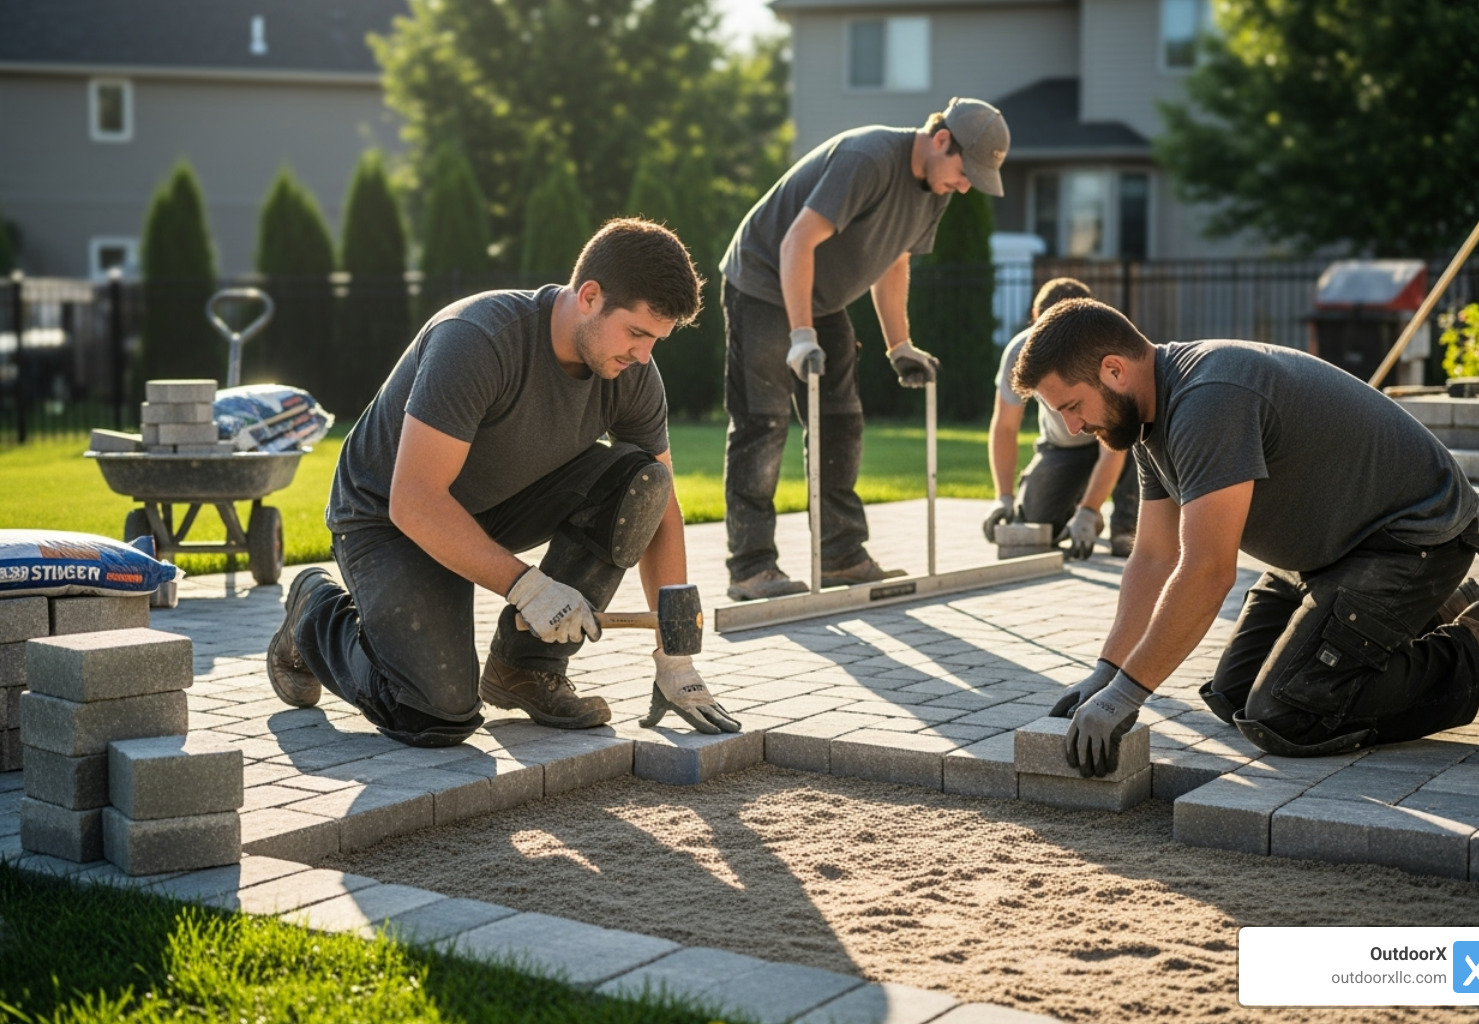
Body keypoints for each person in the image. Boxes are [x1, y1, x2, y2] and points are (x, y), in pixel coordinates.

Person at [1009, 298, 1479, 777]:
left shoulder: (1207, 401)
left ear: (1114, 370)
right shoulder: (1149, 421)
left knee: (1286, 714)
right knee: (1234, 694)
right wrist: (1107, 671)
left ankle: (1478, 647)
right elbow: (1151, 557)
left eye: (1072, 406)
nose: (1073, 427)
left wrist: (1127, 694)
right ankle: (1432, 606)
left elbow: (1208, 571)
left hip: (1410, 536)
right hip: (1331, 548)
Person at [265, 219, 739, 747]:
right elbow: (415, 500)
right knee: (435, 712)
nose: (644, 355)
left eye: (656, 340)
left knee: (643, 480)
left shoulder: (632, 375)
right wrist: (526, 587)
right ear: (589, 296)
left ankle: (526, 667)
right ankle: (314, 614)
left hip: (495, 506)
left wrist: (675, 655)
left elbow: (661, 505)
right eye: (637, 333)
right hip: (391, 518)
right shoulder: (478, 339)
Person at [720, 97, 1012, 600]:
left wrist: (899, 344)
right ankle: (751, 567)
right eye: (965, 173)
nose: (965, 187)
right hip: (764, 282)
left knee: (841, 420)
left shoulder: (935, 189)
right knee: (762, 423)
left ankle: (840, 557)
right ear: (942, 141)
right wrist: (801, 335)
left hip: (825, 297)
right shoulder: (869, 159)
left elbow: (894, 261)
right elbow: (795, 243)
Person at [983, 278, 1138, 558]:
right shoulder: (1019, 353)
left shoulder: (1107, 354)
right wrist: (1003, 496)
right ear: (1035, 320)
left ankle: (1127, 522)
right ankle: (1076, 501)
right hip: (1063, 447)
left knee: (1138, 436)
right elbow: (1005, 427)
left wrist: (1089, 512)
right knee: (1035, 524)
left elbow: (1113, 440)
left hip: (1117, 444)